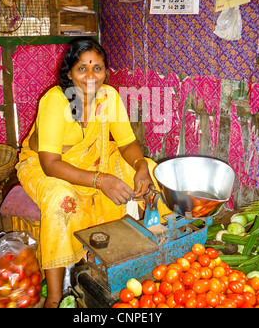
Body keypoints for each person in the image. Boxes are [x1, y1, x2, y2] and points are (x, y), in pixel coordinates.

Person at [16, 37, 168, 308]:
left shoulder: (108, 96)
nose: (90, 76)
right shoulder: (55, 101)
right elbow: (50, 163)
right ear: (69, 72)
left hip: (94, 159)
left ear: (105, 71)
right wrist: (101, 181)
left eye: (97, 68)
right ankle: (53, 298)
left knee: (153, 171)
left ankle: (152, 254)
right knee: (60, 199)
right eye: (81, 68)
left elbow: (127, 143)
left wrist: (141, 166)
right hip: (46, 166)